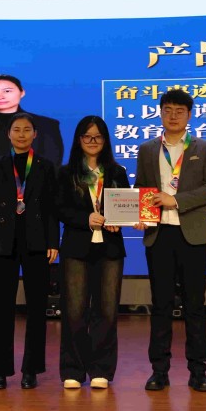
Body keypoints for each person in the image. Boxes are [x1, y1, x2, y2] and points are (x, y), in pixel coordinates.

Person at [134, 89, 206, 392]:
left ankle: (198, 371)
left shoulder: (204, 148)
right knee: (161, 304)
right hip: (159, 235)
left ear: (189, 115)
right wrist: (140, 214)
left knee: (194, 305)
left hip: (192, 235)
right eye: (168, 110)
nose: (173, 116)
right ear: (160, 113)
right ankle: (159, 371)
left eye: (179, 111)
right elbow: (142, 187)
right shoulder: (147, 149)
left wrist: (177, 200)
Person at [0, 112, 59, 390]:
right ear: (8, 134)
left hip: (37, 243)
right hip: (3, 243)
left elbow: (51, 207)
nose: (22, 134)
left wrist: (53, 241)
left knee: (37, 308)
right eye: (17, 129)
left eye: (27, 130)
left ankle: (31, 370)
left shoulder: (45, 166)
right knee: (1, 309)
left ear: (35, 134)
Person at [56, 115, 130, 390]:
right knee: (74, 311)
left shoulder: (117, 172)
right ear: (79, 140)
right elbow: (59, 208)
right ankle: (73, 370)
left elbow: (125, 207)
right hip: (76, 247)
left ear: (105, 140)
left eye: (98, 136)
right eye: (87, 136)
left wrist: (119, 220)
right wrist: (85, 218)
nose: (92, 141)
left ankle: (101, 369)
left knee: (107, 311)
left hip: (110, 249)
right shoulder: (66, 173)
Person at [0, 74, 64, 174]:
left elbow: (52, 164)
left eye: (7, 91)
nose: (0, 96)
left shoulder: (46, 125)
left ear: (22, 92)